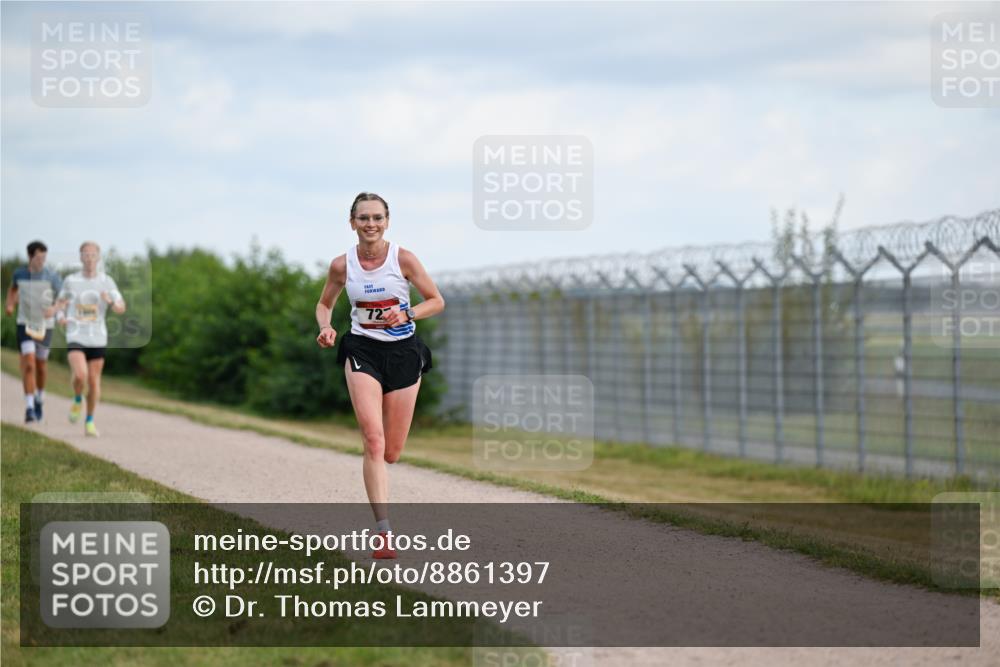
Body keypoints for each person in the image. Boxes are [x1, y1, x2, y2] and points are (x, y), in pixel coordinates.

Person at [316, 192, 445, 559]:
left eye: (377, 218)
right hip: (362, 350)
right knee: (373, 441)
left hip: (403, 353)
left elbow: (436, 300)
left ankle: (385, 478)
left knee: (391, 451)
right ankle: (384, 533)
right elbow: (325, 303)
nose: (370, 224)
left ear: (387, 221)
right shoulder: (342, 265)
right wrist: (326, 327)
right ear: (352, 222)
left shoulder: (402, 258)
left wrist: (408, 314)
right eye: (363, 218)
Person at [54, 241, 126, 436]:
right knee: (80, 375)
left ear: (98, 258)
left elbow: (121, 307)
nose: (89, 258)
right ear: (80, 257)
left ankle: (90, 421)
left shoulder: (107, 281)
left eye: (93, 255)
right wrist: (60, 318)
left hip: (98, 337)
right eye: (85, 254)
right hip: (76, 334)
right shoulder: (71, 280)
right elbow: (60, 304)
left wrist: (110, 301)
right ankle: (78, 399)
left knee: (94, 382)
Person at [4, 241, 62, 423]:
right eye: (38, 257)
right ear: (30, 257)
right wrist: (10, 304)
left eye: (44, 257)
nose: (41, 261)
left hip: (46, 325)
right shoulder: (19, 273)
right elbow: (12, 289)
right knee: (29, 364)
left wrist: (55, 309)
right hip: (25, 323)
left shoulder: (52, 276)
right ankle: (29, 408)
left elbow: (63, 299)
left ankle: (39, 398)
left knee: (41, 366)